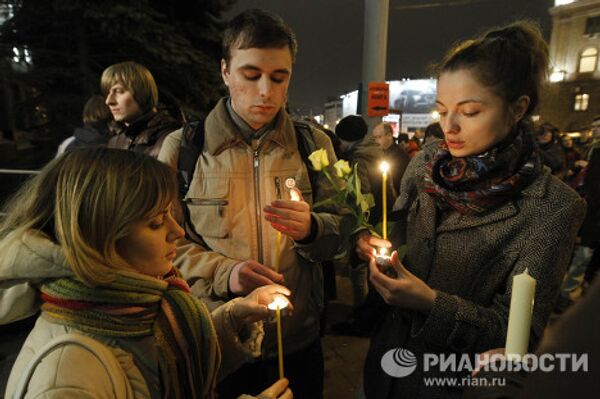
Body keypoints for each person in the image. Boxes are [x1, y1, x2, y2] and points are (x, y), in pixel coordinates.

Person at [356, 21, 585, 399]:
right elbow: (395, 235)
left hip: (453, 383)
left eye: (471, 111)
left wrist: (430, 303)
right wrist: (372, 247)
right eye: (442, 110)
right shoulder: (427, 163)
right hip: (384, 367)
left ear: (517, 109)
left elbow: (516, 335)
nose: (450, 126)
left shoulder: (552, 208)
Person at [1, 148, 293, 399]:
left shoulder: (127, 311)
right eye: (156, 222)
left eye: (170, 215)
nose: (177, 232)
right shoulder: (66, 378)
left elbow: (158, 362)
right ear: (101, 238)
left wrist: (233, 318)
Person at [158, 9, 341, 399]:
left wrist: (313, 229)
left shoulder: (314, 146)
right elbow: (159, 245)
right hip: (217, 341)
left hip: (297, 343)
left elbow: (342, 235)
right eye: (250, 75)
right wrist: (227, 272)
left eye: (279, 78)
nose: (265, 91)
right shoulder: (183, 150)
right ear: (225, 72)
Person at [103, 61, 180, 157]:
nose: (108, 101)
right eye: (108, 93)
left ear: (141, 93)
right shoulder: (114, 143)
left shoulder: (170, 138)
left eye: (119, 91)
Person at [372, 121, 411, 199]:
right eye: (374, 138)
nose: (376, 141)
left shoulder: (399, 156)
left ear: (389, 135)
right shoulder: (381, 153)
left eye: (379, 137)